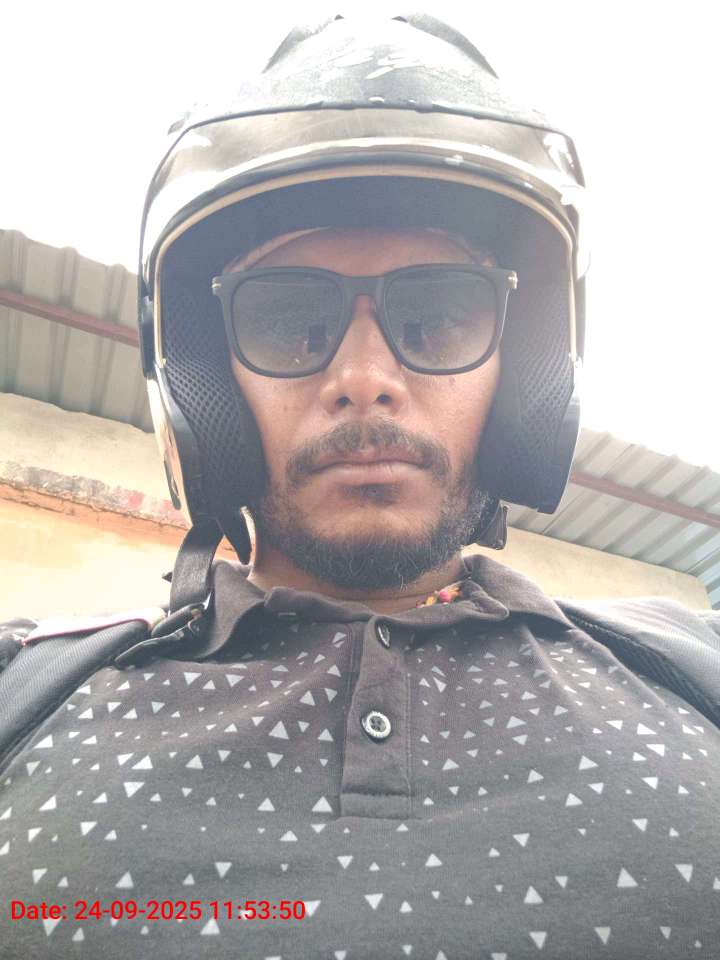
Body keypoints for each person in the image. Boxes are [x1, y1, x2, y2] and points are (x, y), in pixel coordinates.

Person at [1, 13, 719, 960]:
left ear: (523, 373)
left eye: (441, 314)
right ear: (204, 378)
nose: (366, 377)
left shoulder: (690, 663)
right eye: (291, 320)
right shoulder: (24, 688)